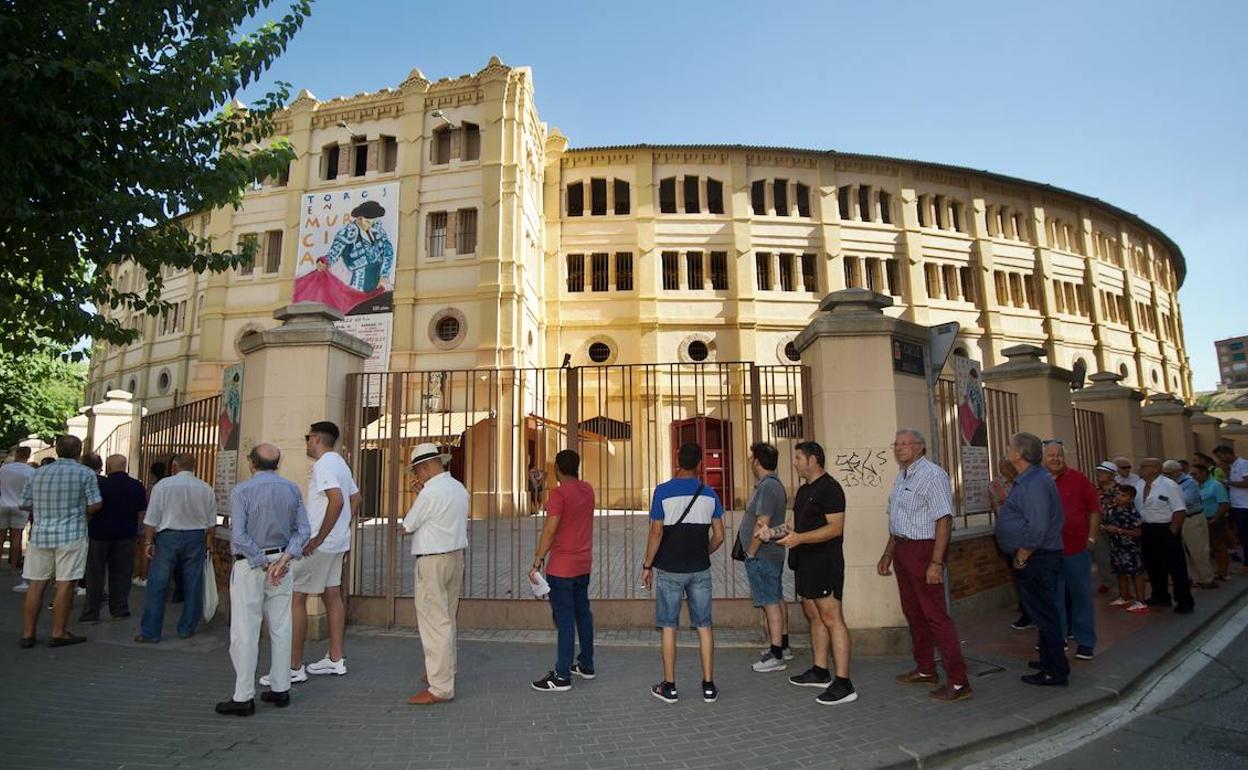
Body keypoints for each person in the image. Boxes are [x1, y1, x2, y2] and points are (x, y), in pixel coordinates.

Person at [216, 444, 311, 717]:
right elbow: (303, 529)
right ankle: (281, 688)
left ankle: (243, 696)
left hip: (251, 566)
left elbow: (240, 535)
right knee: (281, 625)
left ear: (251, 462)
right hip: (282, 564)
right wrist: (283, 559)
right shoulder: (291, 489)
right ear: (277, 463)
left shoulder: (242, 491)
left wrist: (262, 561)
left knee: (245, 630)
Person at [877, 429, 971, 702]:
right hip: (903, 550)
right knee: (914, 613)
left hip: (924, 551)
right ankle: (926, 669)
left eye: (906, 444)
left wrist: (936, 562)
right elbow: (899, 520)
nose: (900, 448)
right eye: (897, 444)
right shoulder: (903, 475)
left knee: (935, 616)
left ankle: (958, 681)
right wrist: (887, 553)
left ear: (920, 447)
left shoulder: (932, 475)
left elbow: (944, 519)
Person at [642, 443, 725, 704]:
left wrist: (647, 565)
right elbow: (720, 536)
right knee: (704, 626)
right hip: (700, 568)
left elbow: (656, 533)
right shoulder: (710, 493)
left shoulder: (663, 492)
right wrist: (705, 552)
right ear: (700, 463)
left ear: (677, 460)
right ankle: (709, 685)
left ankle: (670, 686)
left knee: (668, 626)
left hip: (669, 569)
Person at [778, 440, 857, 705]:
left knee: (832, 617)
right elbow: (794, 526)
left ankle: (844, 682)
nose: (795, 462)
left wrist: (800, 539)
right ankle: (820, 671)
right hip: (805, 563)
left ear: (813, 460)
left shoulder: (831, 489)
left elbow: (835, 528)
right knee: (814, 616)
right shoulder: (803, 491)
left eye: (799, 458)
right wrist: (773, 532)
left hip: (825, 563)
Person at [282, 422, 360, 683]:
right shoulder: (340, 463)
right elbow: (355, 498)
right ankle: (335, 658)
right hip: (338, 543)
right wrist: (340, 529)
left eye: (308, 438)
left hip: (321, 543)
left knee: (297, 597)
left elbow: (337, 499)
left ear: (315, 438)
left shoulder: (324, 464)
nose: (306, 443)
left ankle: (293, 667)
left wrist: (318, 538)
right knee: (332, 594)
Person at [995, 432, 1068, 686]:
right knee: (1043, 612)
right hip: (1039, 556)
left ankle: (1055, 670)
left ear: (1019, 454)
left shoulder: (1034, 483)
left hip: (1037, 557)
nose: (1006, 450)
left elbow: (1037, 527)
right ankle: (1049, 659)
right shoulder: (1031, 479)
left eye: (1009, 447)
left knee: (1045, 614)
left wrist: (1023, 555)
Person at [17, 435, 101, 648]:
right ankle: (59, 632)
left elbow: (25, 503)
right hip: (71, 534)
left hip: (41, 534)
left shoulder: (38, 473)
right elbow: (95, 504)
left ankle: (28, 633)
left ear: (57, 450)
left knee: (36, 584)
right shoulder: (85, 473)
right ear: (79, 451)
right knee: (66, 583)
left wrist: (45, 511)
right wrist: (78, 511)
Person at [401, 443, 468, 705]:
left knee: (434, 620)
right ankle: (444, 670)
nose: (416, 477)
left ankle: (440, 686)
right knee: (447, 617)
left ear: (426, 468)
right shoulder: (458, 488)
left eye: (417, 471)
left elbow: (408, 525)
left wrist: (418, 498)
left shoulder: (430, 493)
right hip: (454, 558)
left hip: (432, 561)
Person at [529, 449, 596, 692]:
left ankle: (561, 675)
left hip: (562, 567)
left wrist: (538, 559)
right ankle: (586, 664)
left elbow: (550, 529)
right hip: (583, 563)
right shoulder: (588, 489)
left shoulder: (558, 494)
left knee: (565, 620)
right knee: (583, 614)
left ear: (557, 469)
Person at [136, 453, 216, 642]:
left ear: (173, 467)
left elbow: (152, 517)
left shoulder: (162, 486)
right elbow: (211, 522)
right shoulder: (205, 488)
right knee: (193, 584)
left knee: (158, 584)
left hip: (167, 537)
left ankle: (151, 632)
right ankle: (186, 628)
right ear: (194, 467)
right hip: (196, 537)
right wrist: (209, 543)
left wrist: (148, 542)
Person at [1043, 440, 1099, 661]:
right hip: (1048, 551)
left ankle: (1085, 642)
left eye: (1059, 455)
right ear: (1043, 458)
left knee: (1081, 596)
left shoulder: (1079, 479)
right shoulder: (1038, 480)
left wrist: (1092, 538)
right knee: (1052, 599)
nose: (1055, 459)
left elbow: (1094, 510)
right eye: (1051, 455)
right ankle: (1057, 640)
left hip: (1076, 549)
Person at [741, 442, 791, 673]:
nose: (751, 461)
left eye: (752, 458)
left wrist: (750, 552)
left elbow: (762, 524)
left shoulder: (767, 487)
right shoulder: (771, 485)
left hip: (763, 554)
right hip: (770, 554)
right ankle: (783, 645)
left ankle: (776, 654)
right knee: (776, 598)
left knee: (770, 603)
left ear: (757, 462)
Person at [79, 454, 146, 622]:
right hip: (126, 534)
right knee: (122, 573)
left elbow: (91, 507)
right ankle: (119, 609)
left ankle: (91, 611)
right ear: (125, 466)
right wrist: (139, 532)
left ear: (108, 466)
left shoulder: (99, 483)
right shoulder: (136, 486)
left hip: (99, 534)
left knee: (95, 573)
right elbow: (141, 512)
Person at [1134, 458, 1194, 613]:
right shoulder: (1139, 485)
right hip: (1147, 528)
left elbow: (1179, 509)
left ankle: (1184, 600)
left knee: (1176, 567)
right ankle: (1160, 595)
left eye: (1144, 466)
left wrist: (1172, 530)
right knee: (1154, 566)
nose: (1140, 469)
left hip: (1165, 528)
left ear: (1155, 469)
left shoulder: (1169, 486)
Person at [989, 460, 1032, 630]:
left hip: (1027, 534)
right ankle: (1027, 611)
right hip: (1010, 535)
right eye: (1007, 467)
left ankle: (1031, 609)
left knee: (1030, 575)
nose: (1011, 469)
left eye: (1012, 466)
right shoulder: (997, 485)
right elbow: (1010, 503)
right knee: (1019, 575)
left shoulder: (1023, 480)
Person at [1164, 459, 1214, 588]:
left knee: (1198, 550)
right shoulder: (1168, 483)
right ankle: (1185, 577)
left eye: (1169, 473)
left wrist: (1166, 498)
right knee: (1180, 552)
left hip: (1192, 518)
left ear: (1177, 471)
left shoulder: (1189, 482)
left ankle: (1206, 578)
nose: (1167, 476)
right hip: (1176, 519)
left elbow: (1185, 500)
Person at [1099, 484, 1148, 613]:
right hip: (1116, 547)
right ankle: (1124, 596)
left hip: (1130, 548)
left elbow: (1138, 532)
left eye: (1124, 495)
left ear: (1131, 498)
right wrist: (1105, 528)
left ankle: (1141, 601)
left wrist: (1120, 530)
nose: (1119, 497)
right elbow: (1104, 523)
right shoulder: (1111, 510)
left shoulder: (1133, 513)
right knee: (1120, 572)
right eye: (1118, 494)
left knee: (1136, 574)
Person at [1, 447, 36, 592]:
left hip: (2, 504)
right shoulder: (30, 472)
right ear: (28, 456)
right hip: (20, 506)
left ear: (16, 454)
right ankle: (13, 566)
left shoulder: (4, 469)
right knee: (17, 537)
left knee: (1, 537)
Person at [1211, 445, 1248, 573]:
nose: (1219, 459)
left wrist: (1228, 483)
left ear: (1227, 454)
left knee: (1246, 535)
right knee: (1242, 536)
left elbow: (1247, 483)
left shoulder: (1243, 464)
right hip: (1237, 506)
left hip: (1245, 506)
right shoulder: (1232, 467)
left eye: (1220, 456)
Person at [1191, 463, 1230, 582]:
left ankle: (1223, 572)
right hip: (1201, 520)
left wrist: (1215, 519)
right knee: (1206, 548)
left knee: (1219, 546)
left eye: (1195, 474)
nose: (1193, 476)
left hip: (1215, 519)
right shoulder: (1196, 486)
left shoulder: (1216, 485)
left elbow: (1224, 504)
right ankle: (1211, 572)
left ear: (1204, 473)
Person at [133, 461, 167, 588]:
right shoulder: (165, 487)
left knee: (144, 550)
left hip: (149, 522)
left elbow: (145, 507)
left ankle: (143, 576)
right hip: (163, 523)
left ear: (151, 472)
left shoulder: (151, 488)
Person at [1091, 461, 1119, 595]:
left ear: (1112, 474)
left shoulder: (1121, 490)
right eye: (1099, 472)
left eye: (1103, 472)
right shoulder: (1096, 491)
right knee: (1102, 557)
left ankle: (1124, 586)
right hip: (1100, 529)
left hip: (1118, 529)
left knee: (1120, 558)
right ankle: (1107, 581)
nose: (1100, 475)